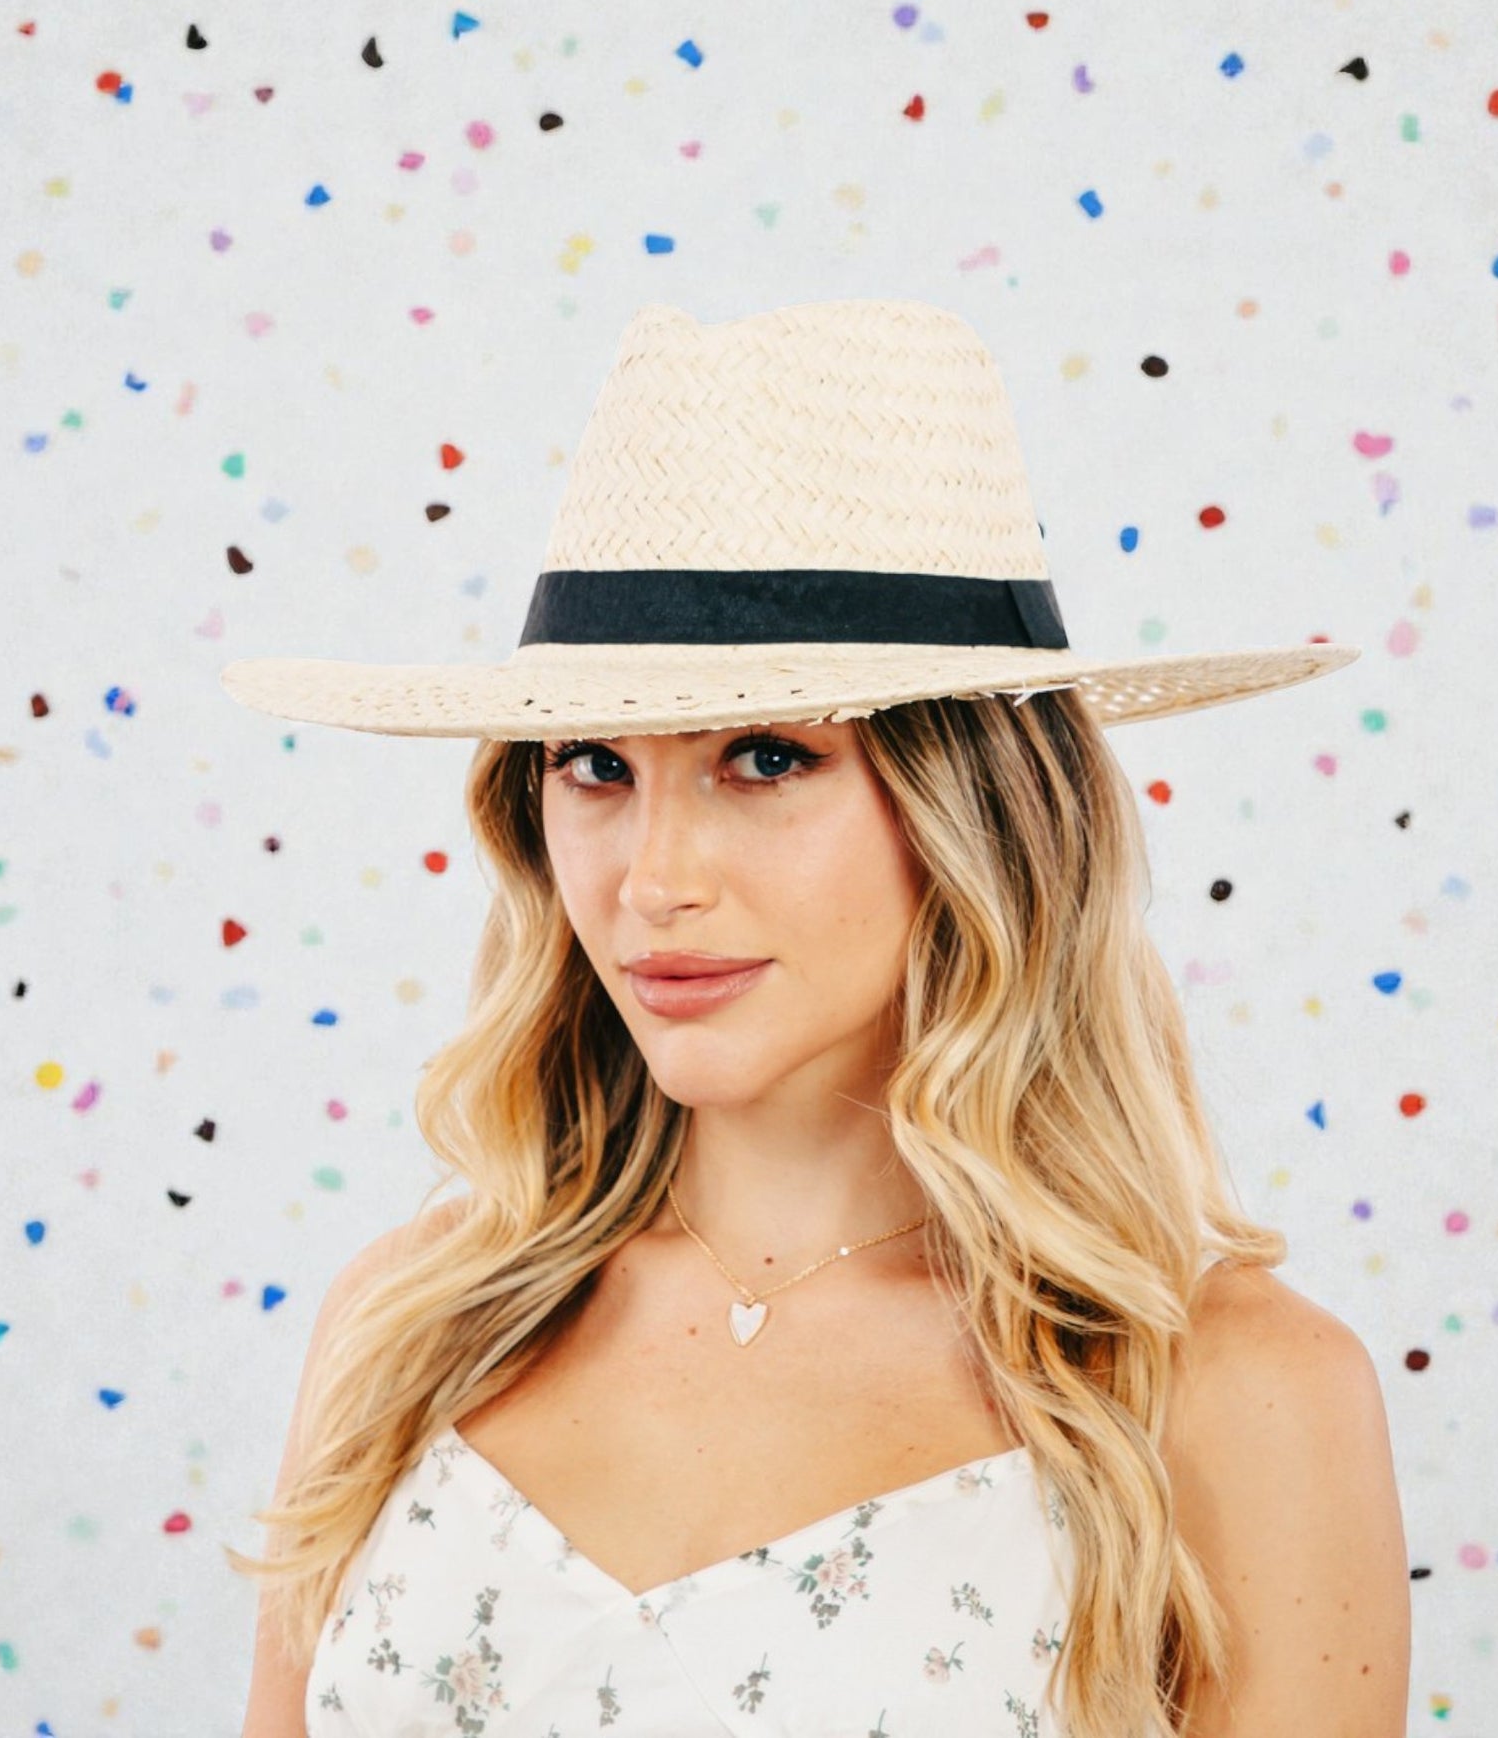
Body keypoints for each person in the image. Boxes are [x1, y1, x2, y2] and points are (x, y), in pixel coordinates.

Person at [220, 297, 1409, 1737]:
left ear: (974, 810)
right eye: (593, 762)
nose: (651, 879)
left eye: (765, 756)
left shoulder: (1225, 1390)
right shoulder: (409, 1322)